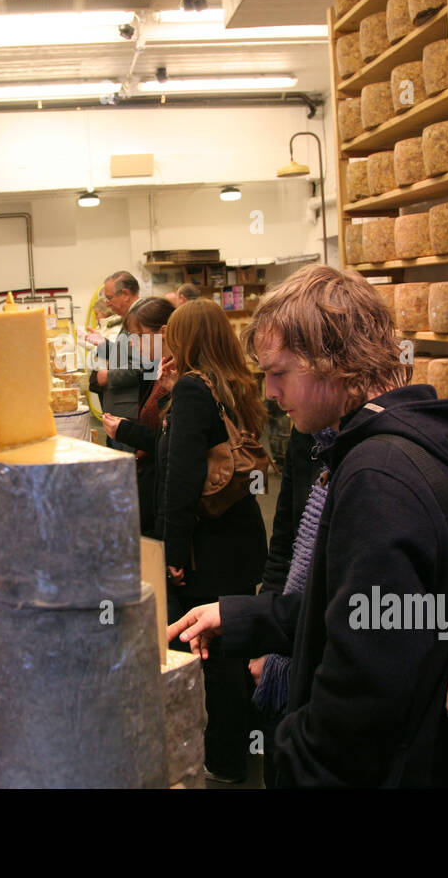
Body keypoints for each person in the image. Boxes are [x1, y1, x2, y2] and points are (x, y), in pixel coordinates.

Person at [168, 266, 448, 788]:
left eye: (279, 373)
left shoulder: (377, 476)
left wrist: (295, 758)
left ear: (336, 363)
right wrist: (241, 616)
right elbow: (350, 605)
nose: (268, 392)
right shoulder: (398, 441)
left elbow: (368, 683)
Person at [154, 298, 268, 783]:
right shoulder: (236, 383)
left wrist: (171, 553)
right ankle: (241, 748)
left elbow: (181, 482)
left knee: (212, 652)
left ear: (184, 340)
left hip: (210, 546)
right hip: (242, 536)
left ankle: (223, 762)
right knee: (234, 644)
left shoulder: (193, 390)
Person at [251, 426, 325, 789]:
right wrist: (268, 636)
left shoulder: (371, 465)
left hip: (322, 667)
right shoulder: (307, 435)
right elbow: (284, 540)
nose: (273, 394)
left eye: (281, 375)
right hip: (288, 646)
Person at [101, 296, 175, 533]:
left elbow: (170, 442)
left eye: (140, 337)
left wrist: (126, 430)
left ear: (163, 332)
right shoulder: (160, 369)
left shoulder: (176, 376)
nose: (133, 344)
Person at [89, 271, 144, 449]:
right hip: (119, 410)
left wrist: (108, 377)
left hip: (129, 413)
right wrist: (103, 345)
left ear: (126, 295)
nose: (107, 303)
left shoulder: (145, 318)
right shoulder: (130, 319)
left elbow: (144, 368)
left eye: (110, 297)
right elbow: (126, 356)